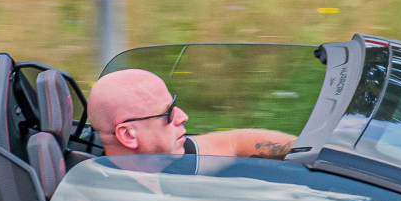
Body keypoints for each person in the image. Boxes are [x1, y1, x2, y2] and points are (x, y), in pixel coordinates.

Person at [84, 68, 295, 160]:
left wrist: (310, 151)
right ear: (128, 135)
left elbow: (235, 143)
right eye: (167, 113)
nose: (183, 117)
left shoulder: (163, 158)